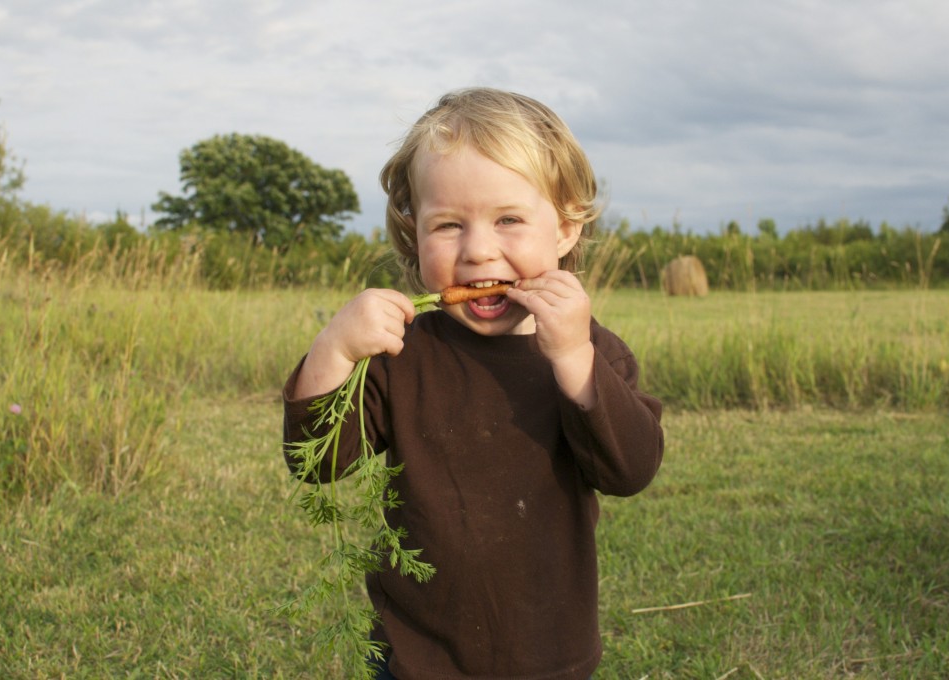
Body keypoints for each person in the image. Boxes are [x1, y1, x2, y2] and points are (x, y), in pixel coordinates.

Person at [282, 87, 664, 679]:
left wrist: (573, 360)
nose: (479, 251)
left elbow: (630, 471)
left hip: (548, 653)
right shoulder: (401, 351)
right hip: (414, 654)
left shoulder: (594, 352)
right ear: (414, 235)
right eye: (448, 225)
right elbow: (318, 461)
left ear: (563, 229)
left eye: (509, 219)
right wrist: (332, 350)